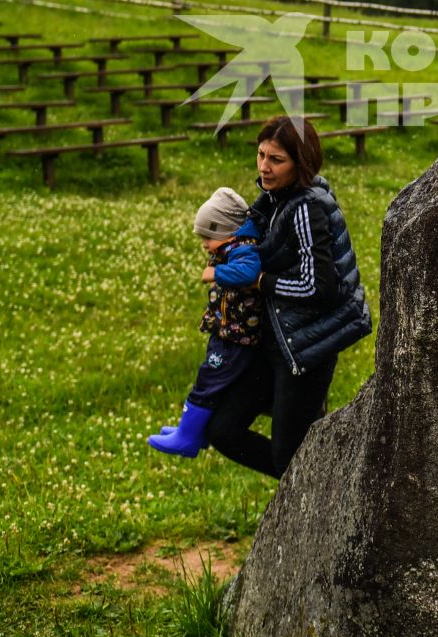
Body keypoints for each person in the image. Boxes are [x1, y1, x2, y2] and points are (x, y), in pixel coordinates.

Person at [201, 117, 373, 479]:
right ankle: (314, 484)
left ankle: (320, 491)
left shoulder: (306, 208)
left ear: (301, 162)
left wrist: (260, 282)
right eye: (261, 154)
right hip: (275, 341)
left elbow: (319, 288)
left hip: (306, 351)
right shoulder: (271, 200)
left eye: (276, 159)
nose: (264, 166)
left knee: (287, 459)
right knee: (222, 430)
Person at [146, 187, 265, 458]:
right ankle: (192, 431)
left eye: (208, 237)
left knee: (209, 380)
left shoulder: (244, 250)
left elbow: (249, 272)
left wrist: (216, 272)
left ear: (226, 232)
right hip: (228, 333)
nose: (204, 244)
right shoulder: (234, 247)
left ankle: (187, 437)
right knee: (209, 378)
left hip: (236, 338)